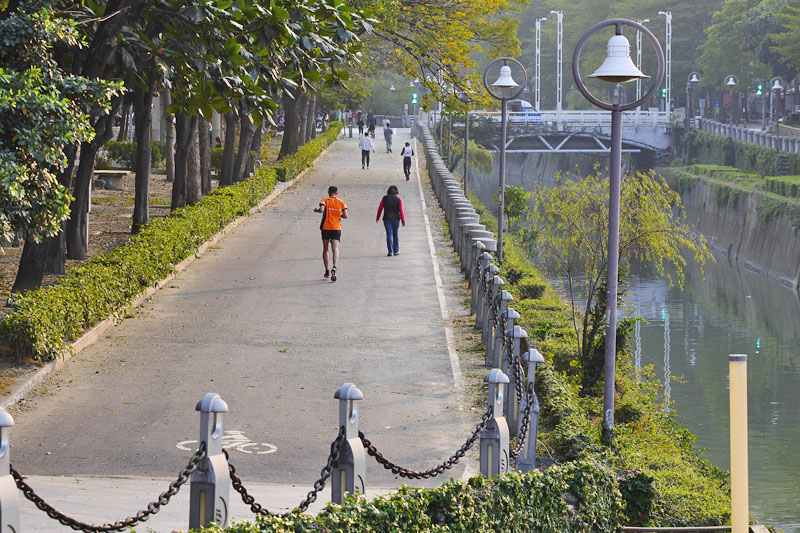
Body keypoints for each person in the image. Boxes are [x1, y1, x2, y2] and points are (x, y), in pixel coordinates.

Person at [313, 186, 348, 281]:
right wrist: (337, 214)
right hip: (336, 228)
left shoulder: (325, 200)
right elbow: (345, 215)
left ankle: (327, 271)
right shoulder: (341, 202)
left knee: (325, 249)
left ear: (328, 192)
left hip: (326, 228)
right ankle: (335, 267)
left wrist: (316, 210)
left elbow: (321, 210)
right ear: (337, 193)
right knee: (335, 248)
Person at [376, 185, 405, 256]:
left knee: (389, 234)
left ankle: (390, 251)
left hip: (387, 219)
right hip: (396, 219)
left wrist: (378, 217)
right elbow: (401, 210)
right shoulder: (398, 199)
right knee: (395, 234)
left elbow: (380, 208)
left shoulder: (385, 198)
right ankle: (396, 251)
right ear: (396, 191)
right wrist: (403, 220)